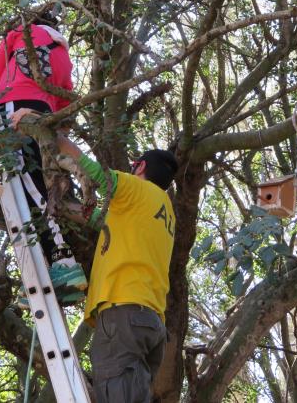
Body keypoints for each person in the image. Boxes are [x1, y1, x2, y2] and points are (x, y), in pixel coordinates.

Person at [12, 107, 178, 403]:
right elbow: (96, 221)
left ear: (140, 168)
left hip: (124, 313)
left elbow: (87, 167)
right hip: (151, 322)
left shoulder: (135, 189)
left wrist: (38, 126)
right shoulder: (163, 210)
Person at [0, 9, 86, 299]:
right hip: (44, 115)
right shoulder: (62, 52)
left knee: (31, 186)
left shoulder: (19, 33)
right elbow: (64, 93)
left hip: (15, 107)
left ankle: (63, 265)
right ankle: (60, 261)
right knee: (45, 184)